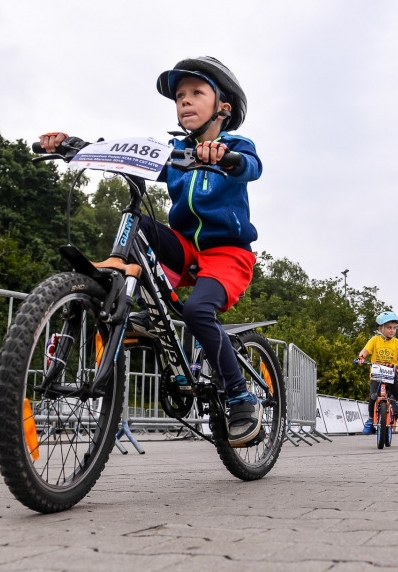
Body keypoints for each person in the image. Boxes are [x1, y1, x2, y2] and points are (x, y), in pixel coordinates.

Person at [38, 56, 264, 447]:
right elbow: (127, 154)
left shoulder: (235, 144)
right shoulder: (175, 151)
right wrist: (73, 146)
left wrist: (224, 157)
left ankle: (240, 396)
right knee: (140, 223)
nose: (185, 102)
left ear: (223, 107)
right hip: (184, 247)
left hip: (227, 252)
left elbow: (251, 166)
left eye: (196, 93)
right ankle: (119, 280)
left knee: (196, 312)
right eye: (180, 97)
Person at [356, 311, 398, 435]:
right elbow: (365, 351)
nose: (392, 331)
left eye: (394, 328)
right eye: (389, 328)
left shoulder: (397, 342)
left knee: (395, 381)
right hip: (377, 373)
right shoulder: (374, 340)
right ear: (380, 328)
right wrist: (361, 358)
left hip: (391, 372)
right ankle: (370, 420)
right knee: (373, 397)